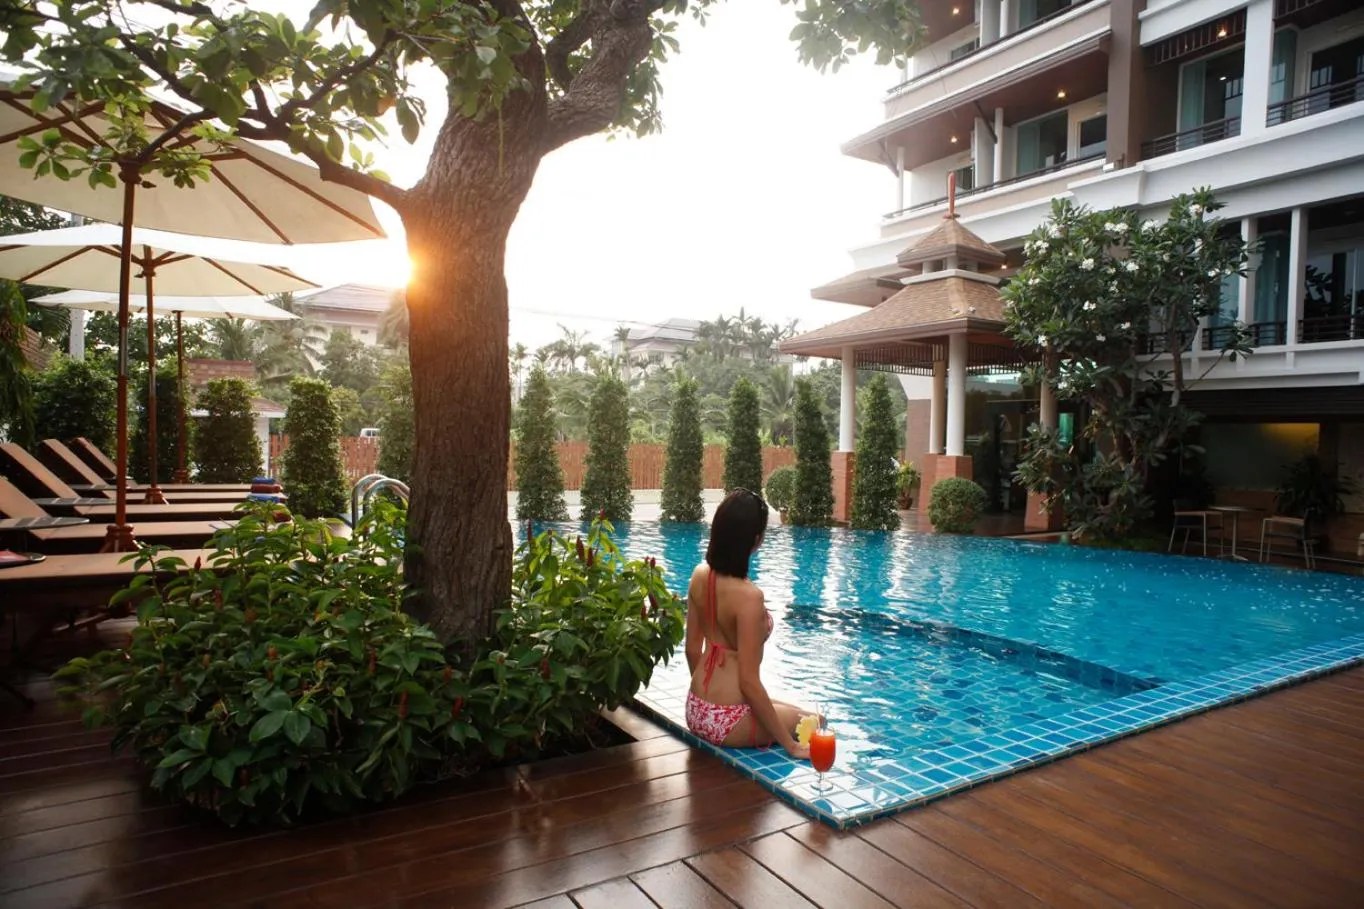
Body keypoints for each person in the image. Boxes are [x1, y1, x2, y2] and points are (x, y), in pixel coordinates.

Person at [684, 488, 813, 757]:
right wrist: (791, 746)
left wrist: (707, 704)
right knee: (815, 723)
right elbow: (749, 683)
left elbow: (692, 650)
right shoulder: (749, 598)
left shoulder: (699, 575)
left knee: (800, 713)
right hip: (727, 722)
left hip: (695, 709)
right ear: (756, 539)